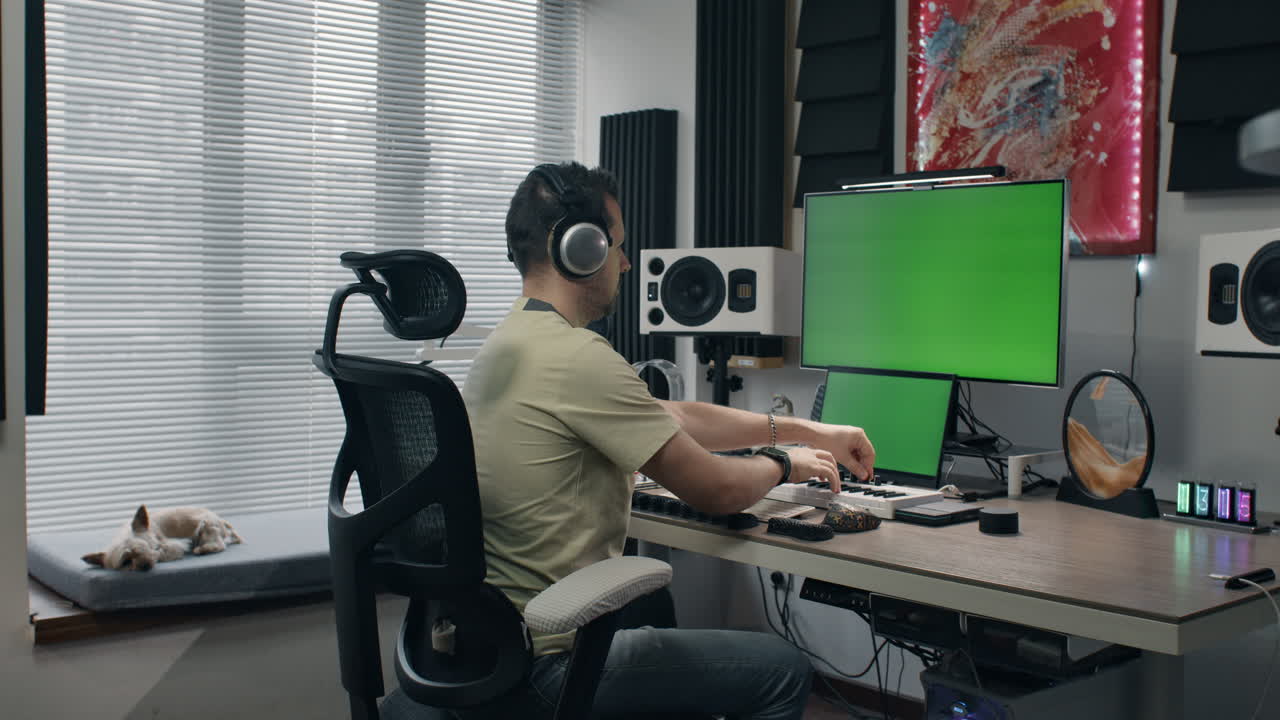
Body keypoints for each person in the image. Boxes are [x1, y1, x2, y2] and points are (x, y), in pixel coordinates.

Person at [460, 161, 876, 719]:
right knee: (783, 670)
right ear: (581, 249)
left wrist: (806, 429)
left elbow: (669, 414)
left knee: (654, 606)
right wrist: (784, 462)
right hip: (551, 661)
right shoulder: (578, 356)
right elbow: (718, 490)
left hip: (492, 649)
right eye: (618, 246)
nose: (626, 263)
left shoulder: (510, 342)